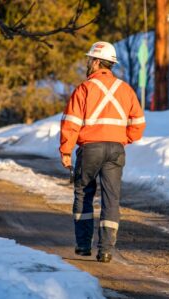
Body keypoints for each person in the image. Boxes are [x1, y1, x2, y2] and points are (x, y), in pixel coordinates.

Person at [59, 41, 146, 263]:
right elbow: (138, 124)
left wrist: (66, 150)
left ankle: (83, 245)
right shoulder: (125, 89)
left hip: (90, 149)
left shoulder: (84, 89)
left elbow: (71, 123)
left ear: (97, 62)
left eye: (90, 60)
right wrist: (122, 140)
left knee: (83, 194)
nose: (87, 64)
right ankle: (106, 250)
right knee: (111, 199)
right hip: (116, 150)